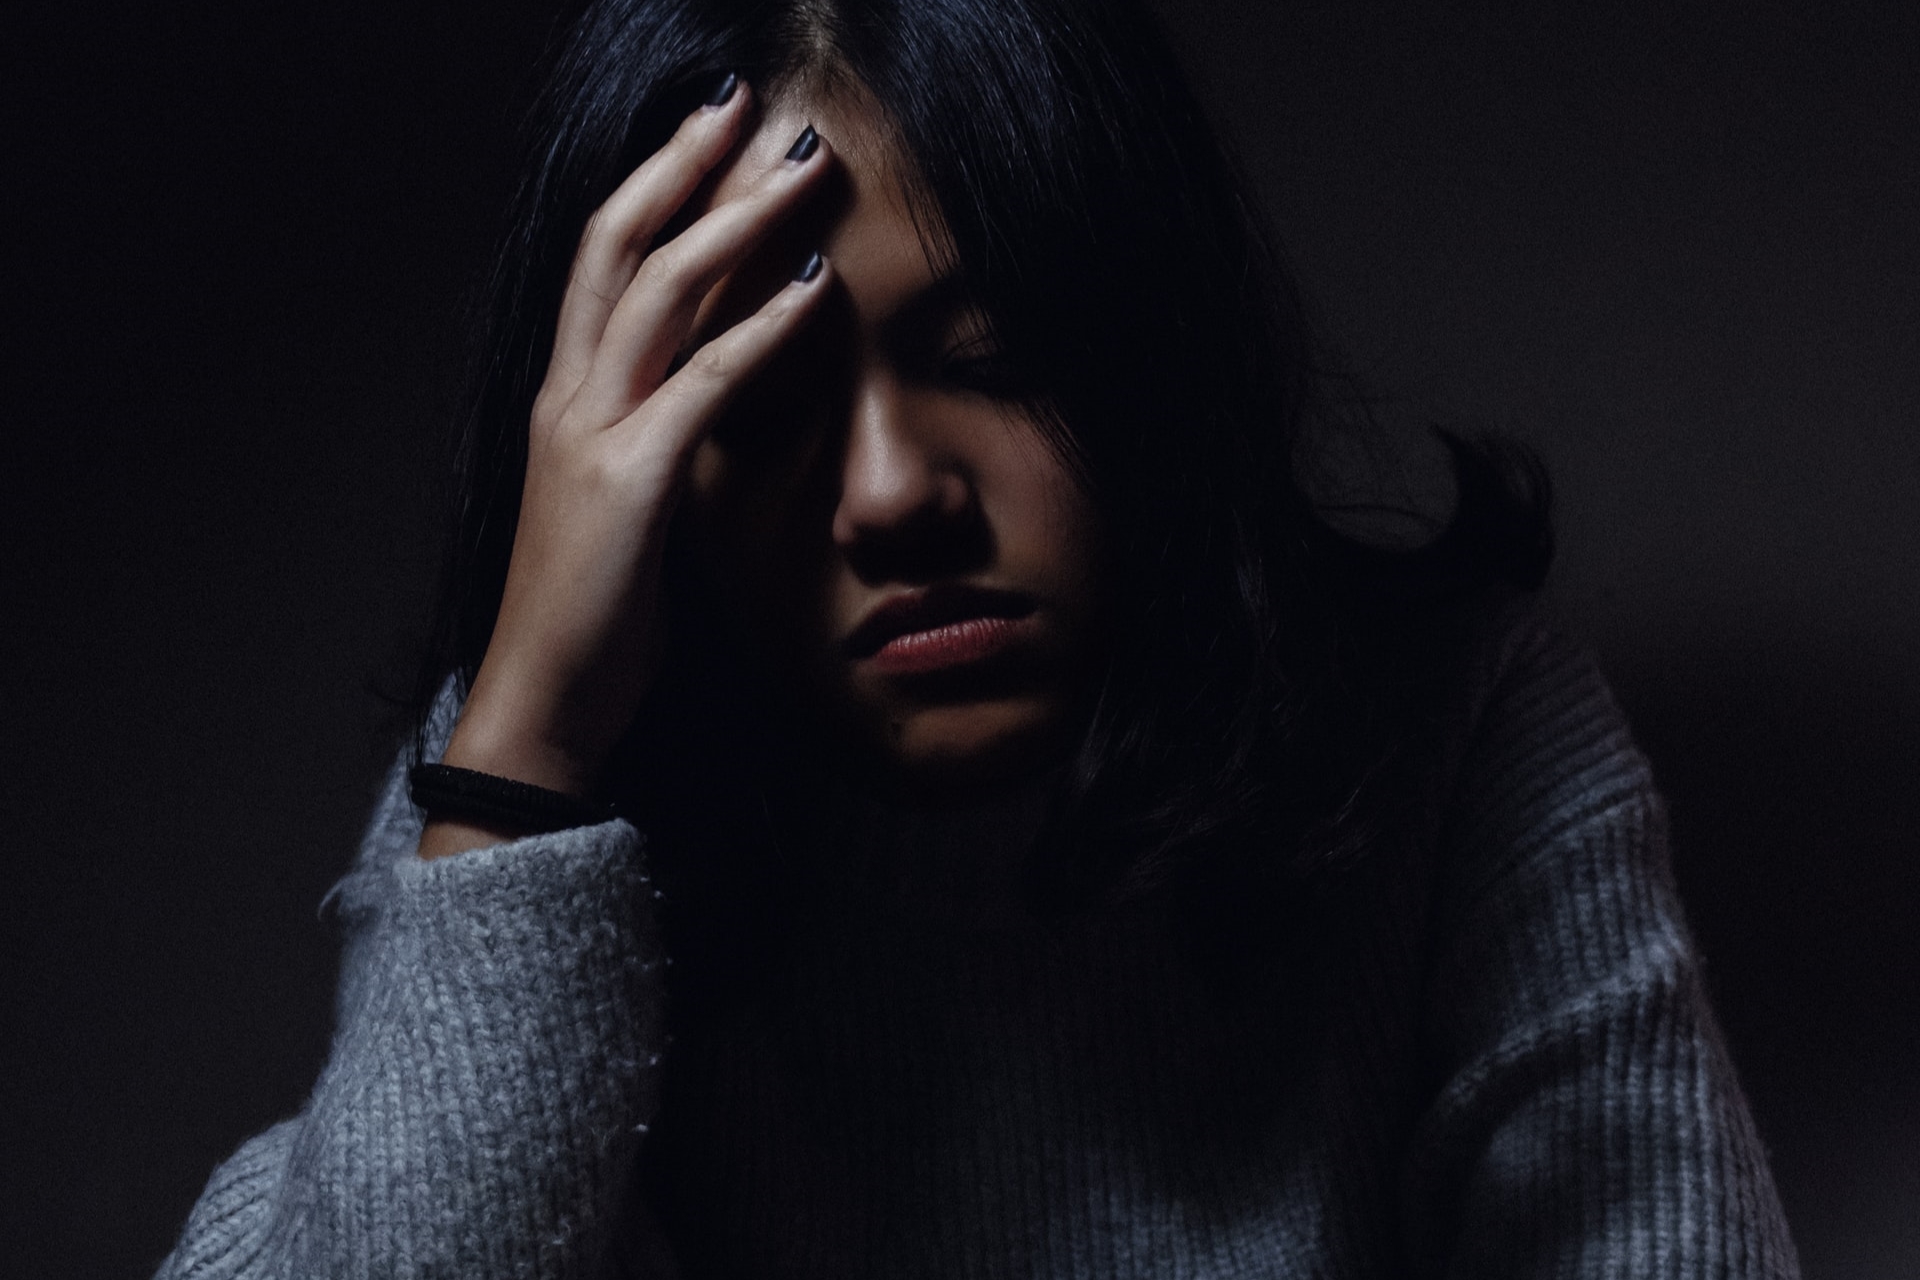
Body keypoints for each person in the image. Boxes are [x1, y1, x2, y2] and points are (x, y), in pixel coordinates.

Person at [155, 0, 1800, 1275]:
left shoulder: (1455, 733)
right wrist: (517, 762)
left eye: (998, 355)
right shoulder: (535, 799)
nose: (895, 495)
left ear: (1151, 353)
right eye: (763, 405)